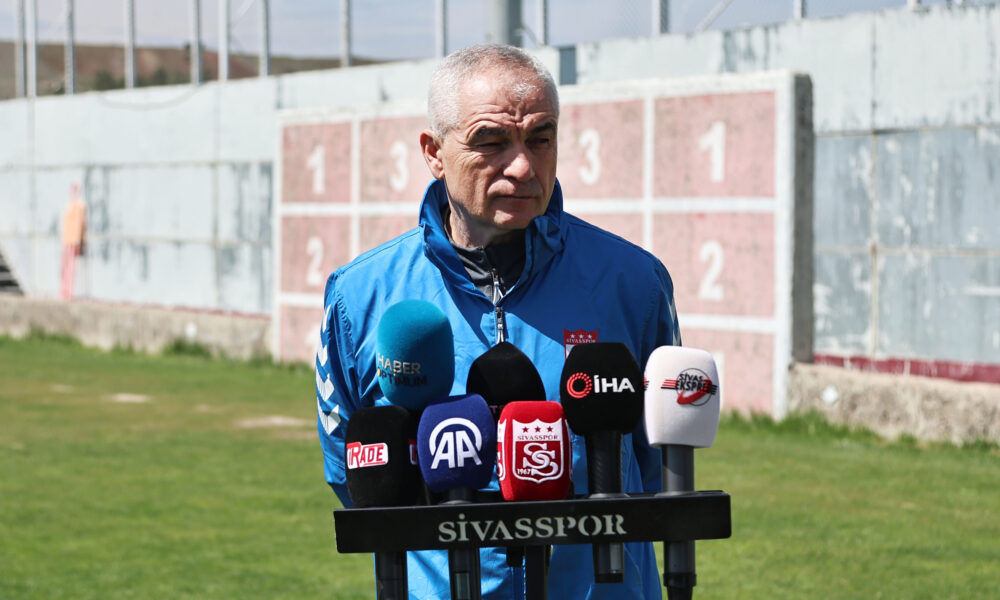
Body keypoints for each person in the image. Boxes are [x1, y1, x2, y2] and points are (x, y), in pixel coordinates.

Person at [315, 43, 681, 599]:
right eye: (491, 141)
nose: (523, 166)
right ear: (434, 153)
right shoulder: (358, 296)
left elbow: (658, 467)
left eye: (541, 138)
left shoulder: (635, 283)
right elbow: (353, 471)